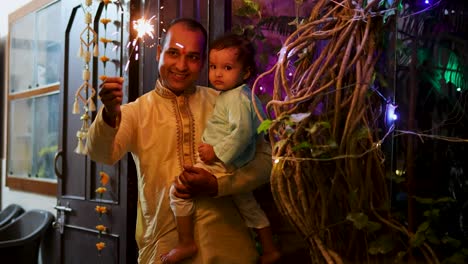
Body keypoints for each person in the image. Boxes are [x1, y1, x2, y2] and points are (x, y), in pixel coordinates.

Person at [86, 18, 273, 264]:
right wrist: (109, 114)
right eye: (173, 53)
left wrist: (219, 185)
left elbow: (266, 162)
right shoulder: (136, 112)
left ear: (203, 63)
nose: (181, 65)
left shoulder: (228, 103)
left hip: (230, 248)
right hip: (164, 251)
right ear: (158, 53)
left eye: (193, 57)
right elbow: (101, 153)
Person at [161, 34, 281, 264]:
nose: (217, 73)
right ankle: (269, 249)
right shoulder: (236, 95)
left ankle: (186, 243)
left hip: (223, 163)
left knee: (178, 192)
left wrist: (217, 153)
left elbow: (242, 133)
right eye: (214, 66)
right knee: (249, 207)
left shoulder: (238, 98)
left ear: (245, 73)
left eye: (227, 67)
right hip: (235, 164)